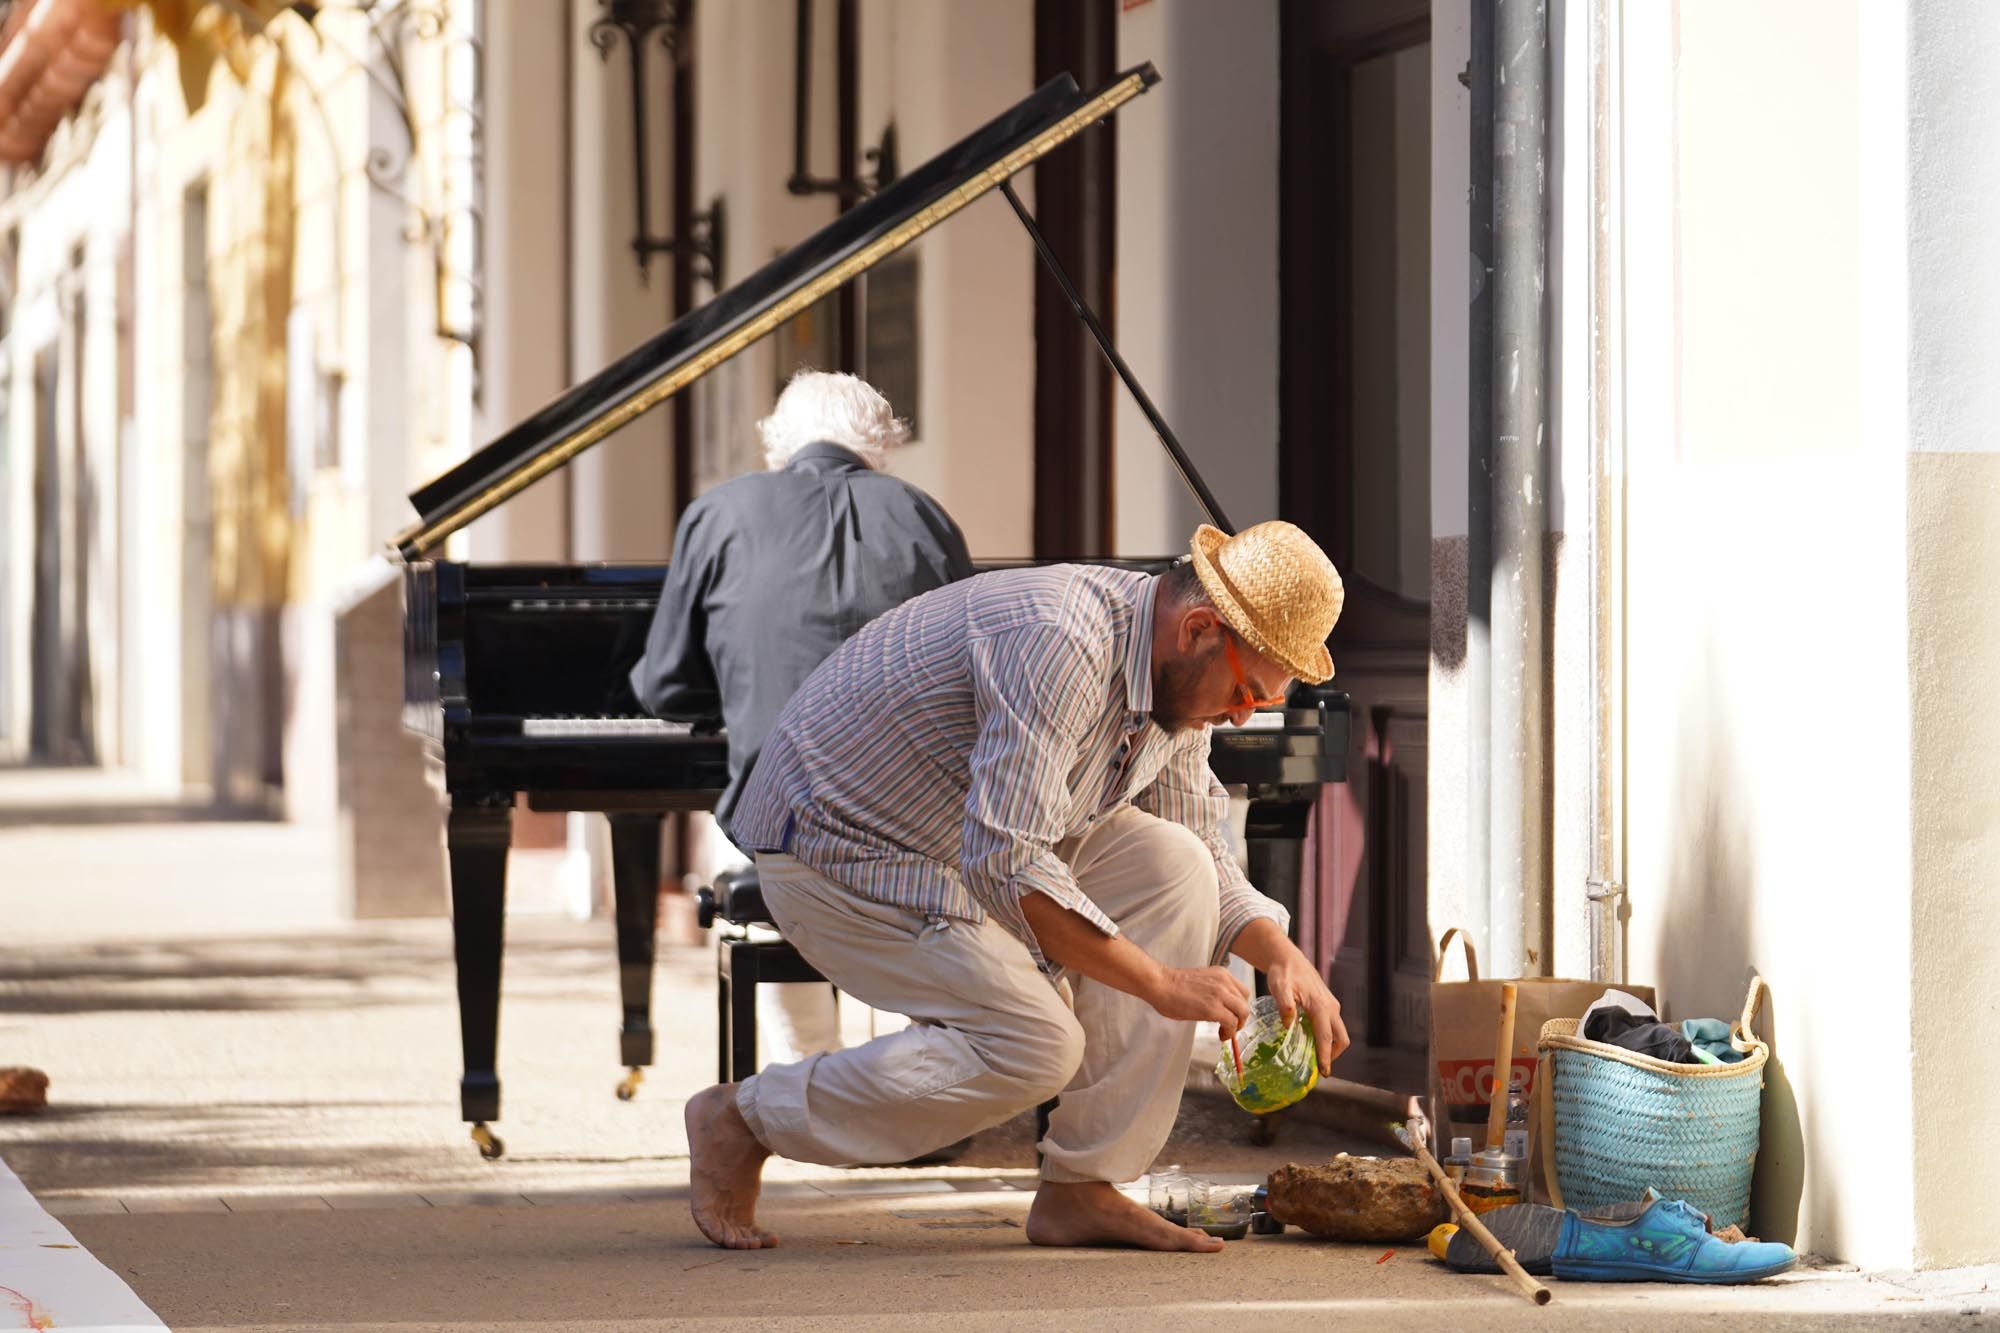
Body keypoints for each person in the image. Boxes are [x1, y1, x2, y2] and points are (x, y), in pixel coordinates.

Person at [684, 519, 1354, 1253]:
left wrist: (1279, 952)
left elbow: (1199, 839)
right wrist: (1159, 981)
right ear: (1199, 627)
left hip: (960, 842)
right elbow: (1006, 859)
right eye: (1246, 692)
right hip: (839, 852)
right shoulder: (1060, 641)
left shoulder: (1173, 672)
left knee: (1178, 865)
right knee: (1036, 1045)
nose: (1239, 715)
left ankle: (1082, 1188)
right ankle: (744, 1118)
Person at [630, 369, 972, 1059]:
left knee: (772, 819)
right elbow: (976, 677)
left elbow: (663, 687)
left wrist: (742, 687)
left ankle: (811, 1068)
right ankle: (924, 1077)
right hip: (914, 820)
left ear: (777, 442)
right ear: (883, 442)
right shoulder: (924, 517)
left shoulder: (718, 514)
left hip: (778, 821)